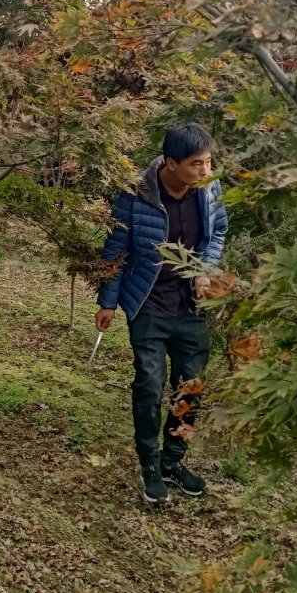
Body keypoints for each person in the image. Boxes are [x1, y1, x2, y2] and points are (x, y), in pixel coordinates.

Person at [94, 123, 228, 505]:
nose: (206, 171)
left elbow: (217, 233)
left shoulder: (210, 189)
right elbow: (116, 249)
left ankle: (173, 461)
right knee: (150, 385)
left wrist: (205, 271)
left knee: (191, 386)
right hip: (149, 303)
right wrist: (107, 302)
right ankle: (149, 464)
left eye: (208, 162)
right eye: (197, 164)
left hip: (191, 305)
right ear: (170, 163)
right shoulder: (136, 193)